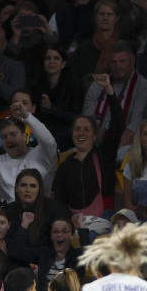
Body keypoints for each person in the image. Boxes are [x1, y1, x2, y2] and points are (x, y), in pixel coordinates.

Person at [53, 84, 122, 236]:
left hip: (103, 219)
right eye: (77, 129)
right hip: (74, 222)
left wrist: (110, 92)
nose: (81, 133)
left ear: (95, 135)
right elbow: (59, 201)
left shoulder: (105, 156)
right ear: (72, 135)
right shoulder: (64, 167)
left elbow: (118, 123)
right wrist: (70, 220)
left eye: (86, 129)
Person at [82, 41, 147, 153]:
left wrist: (109, 152)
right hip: (95, 143)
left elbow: (134, 126)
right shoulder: (97, 86)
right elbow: (86, 122)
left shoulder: (144, 87)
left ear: (132, 61)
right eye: (113, 62)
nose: (118, 66)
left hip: (125, 147)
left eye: (122, 61)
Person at [0, 110, 59, 203]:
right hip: (11, 213)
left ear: (25, 136)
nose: (9, 139)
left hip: (42, 211)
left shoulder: (42, 154)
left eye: (13, 134)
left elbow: (49, 142)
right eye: (4, 137)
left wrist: (27, 116)